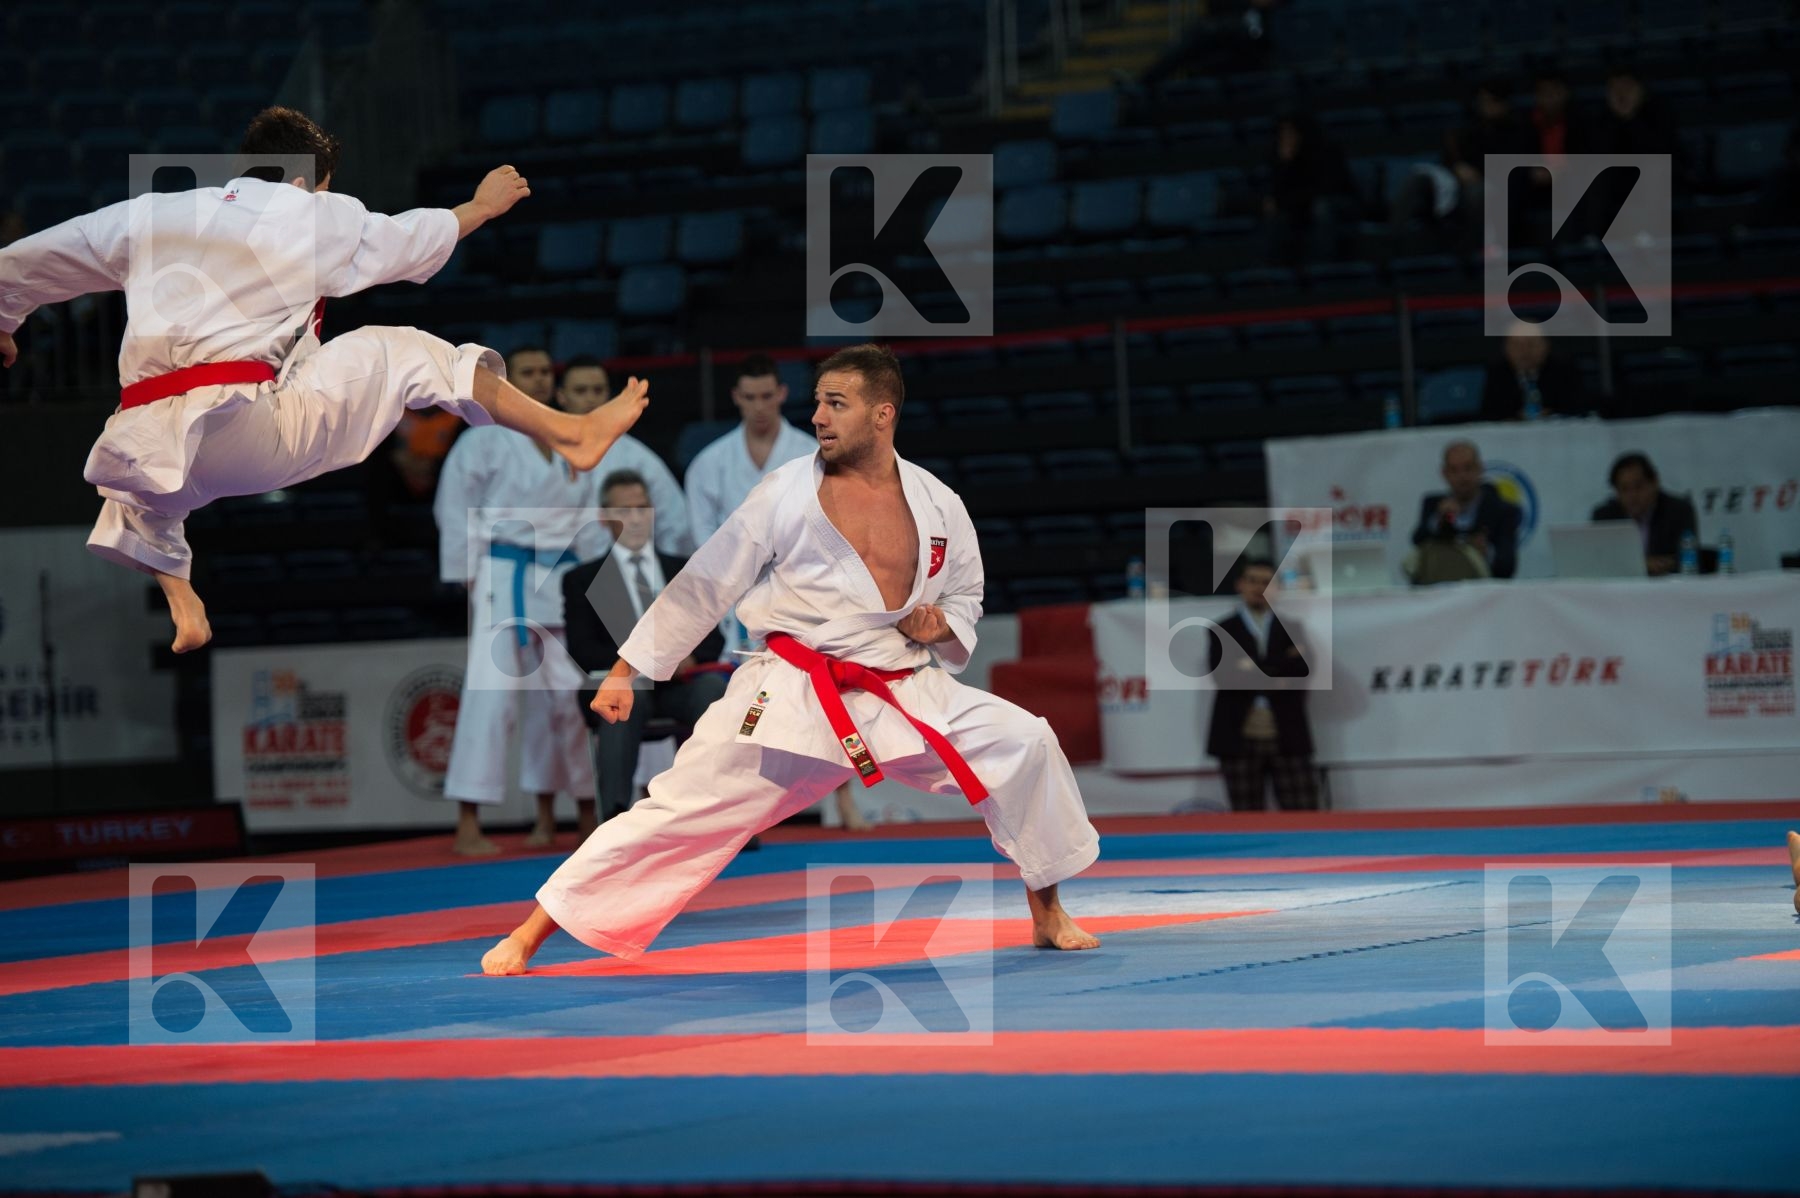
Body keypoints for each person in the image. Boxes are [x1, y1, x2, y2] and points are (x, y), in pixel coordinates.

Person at [480, 344, 1102, 974]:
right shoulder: (784, 493)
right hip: (792, 695)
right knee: (679, 810)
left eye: (837, 403)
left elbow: (966, 592)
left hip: (902, 685)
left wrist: (940, 623)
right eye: (818, 403)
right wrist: (625, 670)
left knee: (1025, 741)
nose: (819, 417)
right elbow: (706, 582)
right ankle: (533, 931)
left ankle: (1047, 910)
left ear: (883, 414)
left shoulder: (936, 500)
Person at [0, 106, 648, 653]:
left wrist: (4, 321)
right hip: (245, 431)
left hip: (143, 443)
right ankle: (570, 430)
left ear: (242, 170)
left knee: (151, 480)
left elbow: (36, 259)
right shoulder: (315, 213)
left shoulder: (153, 212)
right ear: (316, 179)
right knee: (406, 352)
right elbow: (404, 242)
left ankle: (181, 595)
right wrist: (477, 208)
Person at [434, 346, 615, 856]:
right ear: (508, 381)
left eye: (544, 372)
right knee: (490, 696)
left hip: (559, 575)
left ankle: (583, 812)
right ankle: (468, 820)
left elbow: (589, 523)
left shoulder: (566, 437)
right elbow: (454, 508)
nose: (537, 381)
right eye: (528, 373)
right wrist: (469, 576)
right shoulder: (482, 438)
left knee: (566, 696)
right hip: (502, 572)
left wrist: (592, 584)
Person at [563, 469, 729, 825]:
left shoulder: (682, 569)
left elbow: (712, 635)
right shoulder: (581, 579)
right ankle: (614, 820)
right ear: (605, 518)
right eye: (626, 510)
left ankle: (722, 814)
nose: (636, 518)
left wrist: (692, 655)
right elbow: (582, 649)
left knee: (713, 689)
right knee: (626, 694)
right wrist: (640, 663)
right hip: (622, 684)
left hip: (678, 685)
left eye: (642, 508)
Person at [1205, 559, 1317, 812]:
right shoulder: (1221, 629)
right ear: (1240, 585)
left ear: (1276, 588)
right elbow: (1224, 677)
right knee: (1246, 817)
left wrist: (1249, 666)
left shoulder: (1292, 627)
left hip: (1287, 730)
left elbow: (1303, 670)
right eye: (1253, 580)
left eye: (1266, 582)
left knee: (1303, 812)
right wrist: (1279, 667)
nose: (1259, 587)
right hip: (1238, 734)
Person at [685, 354, 816, 549]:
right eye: (750, 397)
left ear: (782, 393)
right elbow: (701, 533)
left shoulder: (812, 454)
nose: (759, 407)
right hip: (727, 571)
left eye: (767, 396)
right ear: (736, 396)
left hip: (798, 568)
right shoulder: (708, 462)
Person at [1408, 440, 1522, 582]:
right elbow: (1418, 541)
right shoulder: (1433, 505)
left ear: (1480, 469)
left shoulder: (1503, 510)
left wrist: (1487, 553)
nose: (1462, 476)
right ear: (1444, 473)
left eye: (1468, 468)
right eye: (1454, 470)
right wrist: (1439, 520)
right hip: (1438, 591)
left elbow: (1507, 568)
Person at [1590, 451, 1699, 577]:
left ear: (1655, 483)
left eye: (1638, 486)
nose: (1632, 496)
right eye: (1624, 489)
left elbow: (1687, 559)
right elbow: (1599, 561)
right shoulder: (1604, 516)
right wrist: (1642, 564)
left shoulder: (1678, 511)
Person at [1481, 321, 1585, 421]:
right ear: (1506, 348)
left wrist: (1552, 414)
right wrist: (1516, 417)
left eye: (1531, 344)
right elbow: (1489, 414)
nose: (1524, 351)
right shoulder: (1498, 375)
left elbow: (1579, 409)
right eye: (1517, 345)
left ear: (1546, 345)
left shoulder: (1565, 372)